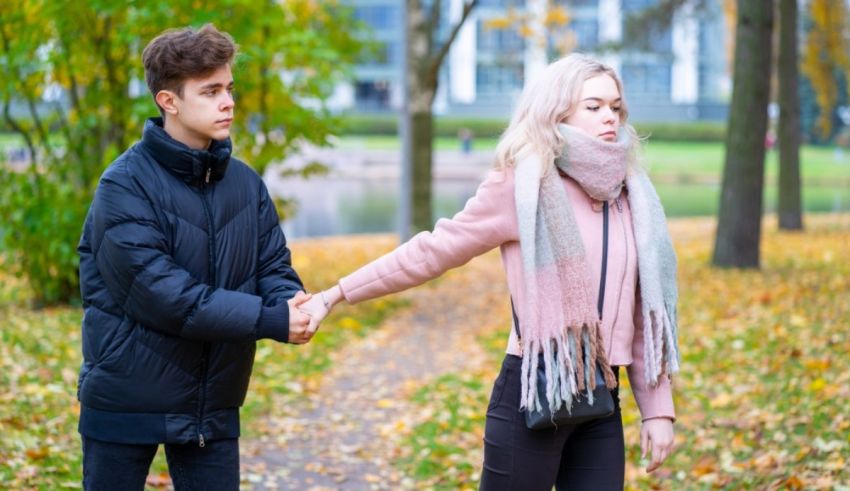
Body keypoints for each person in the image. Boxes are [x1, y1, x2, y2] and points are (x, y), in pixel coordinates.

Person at [300, 53, 679, 490]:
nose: (609, 118)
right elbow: (432, 251)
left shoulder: (631, 195)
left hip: (601, 402)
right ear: (557, 111)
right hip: (533, 392)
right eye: (593, 107)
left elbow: (641, 315)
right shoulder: (522, 187)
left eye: (616, 107)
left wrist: (657, 410)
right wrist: (336, 293)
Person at [76, 24, 314, 490]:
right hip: (127, 399)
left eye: (228, 88)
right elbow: (167, 296)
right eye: (210, 91)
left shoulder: (245, 183)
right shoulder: (122, 186)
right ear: (169, 101)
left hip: (213, 401)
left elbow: (271, 265)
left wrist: (293, 302)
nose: (228, 102)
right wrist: (271, 319)